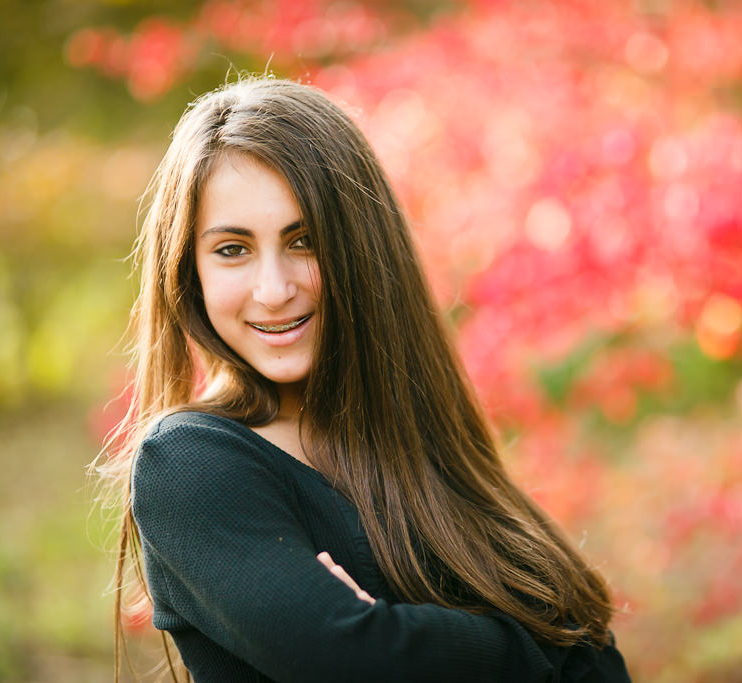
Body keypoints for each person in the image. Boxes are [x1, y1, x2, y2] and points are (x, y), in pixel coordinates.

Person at [97, 76, 630, 682]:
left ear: (362, 250)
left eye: (304, 241)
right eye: (232, 250)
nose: (274, 290)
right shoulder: (192, 463)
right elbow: (358, 662)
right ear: (187, 269)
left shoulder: (425, 444)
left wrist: (398, 633)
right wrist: (530, 655)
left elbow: (598, 658)